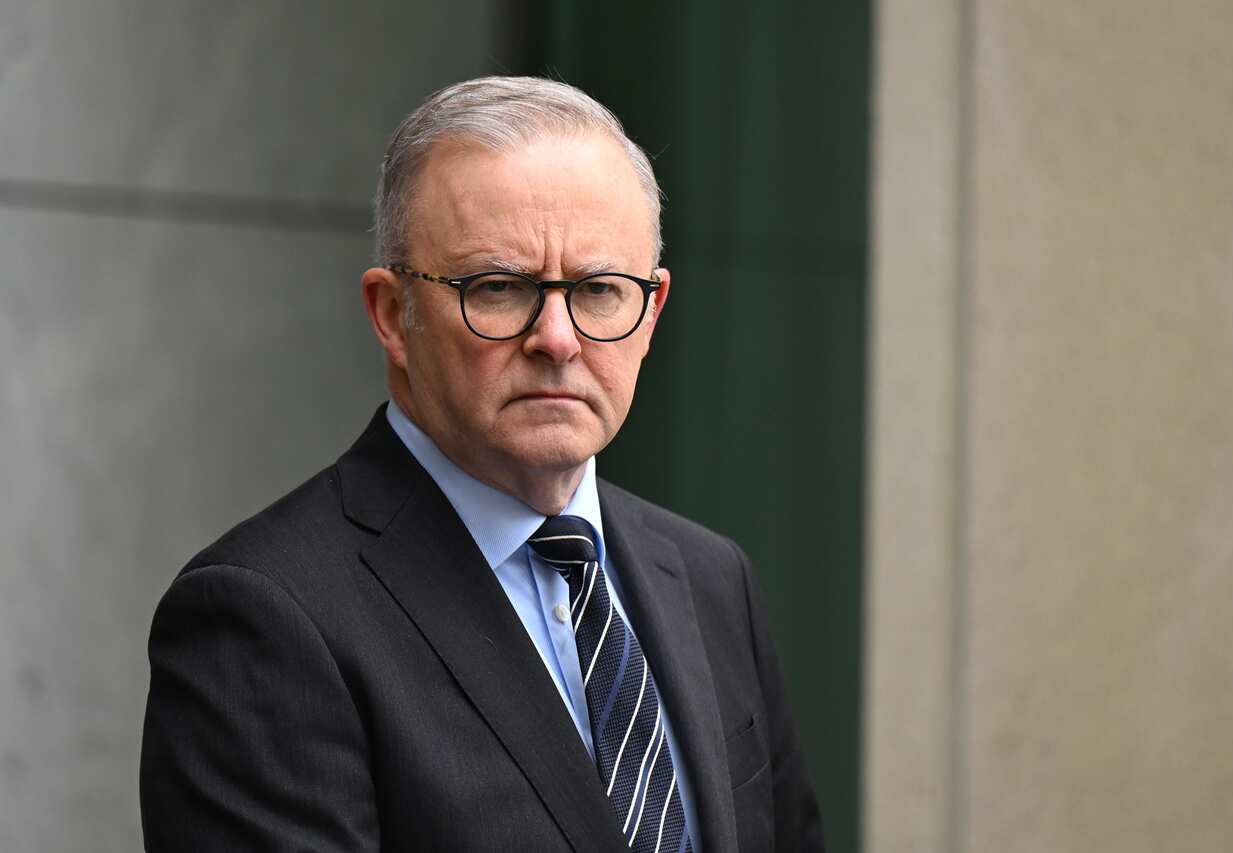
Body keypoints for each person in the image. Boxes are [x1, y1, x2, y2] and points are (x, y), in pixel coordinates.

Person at [140, 76, 823, 853]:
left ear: (651, 312)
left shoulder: (710, 578)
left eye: (600, 289)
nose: (558, 339)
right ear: (394, 315)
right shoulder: (263, 617)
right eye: (498, 287)